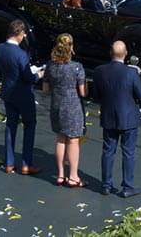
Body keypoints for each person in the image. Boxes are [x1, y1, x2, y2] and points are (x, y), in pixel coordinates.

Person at [94, 39, 141, 197]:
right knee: (128, 152)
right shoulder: (131, 72)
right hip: (129, 118)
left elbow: (96, 95)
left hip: (109, 116)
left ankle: (106, 185)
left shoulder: (99, 71)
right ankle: (127, 187)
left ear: (110, 53)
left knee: (108, 151)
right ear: (125, 54)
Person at [0, 18, 40, 175]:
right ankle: (27, 163)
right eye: (24, 34)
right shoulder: (21, 54)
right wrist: (39, 75)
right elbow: (28, 77)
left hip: (8, 93)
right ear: (19, 33)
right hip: (23, 95)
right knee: (29, 125)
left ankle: (9, 162)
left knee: (10, 126)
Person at [43, 33, 88, 187]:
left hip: (56, 105)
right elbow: (82, 92)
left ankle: (61, 174)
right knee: (73, 139)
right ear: (71, 47)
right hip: (73, 107)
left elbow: (45, 90)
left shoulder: (50, 66)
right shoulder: (77, 67)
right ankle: (73, 176)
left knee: (60, 138)